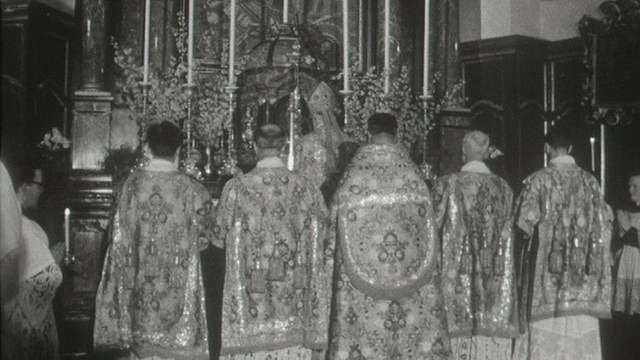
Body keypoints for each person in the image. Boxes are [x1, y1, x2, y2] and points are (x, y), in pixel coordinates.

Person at [328, 113, 452, 360]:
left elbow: (332, 223)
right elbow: (432, 221)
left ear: (367, 134)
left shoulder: (354, 177)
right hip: (410, 278)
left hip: (361, 286)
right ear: (396, 135)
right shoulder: (413, 176)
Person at [94, 121, 213, 360]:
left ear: (148, 148)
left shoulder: (131, 185)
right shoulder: (193, 189)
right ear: (178, 151)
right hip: (177, 288)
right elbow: (204, 239)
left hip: (139, 285)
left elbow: (116, 234)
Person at [212, 124, 332, 359]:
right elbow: (324, 233)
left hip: (251, 295)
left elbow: (217, 237)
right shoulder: (306, 187)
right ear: (283, 147)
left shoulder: (236, 187)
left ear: (255, 147)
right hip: (294, 293)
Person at [512, 125, 613, 360]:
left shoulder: (538, 180)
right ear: (570, 148)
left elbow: (523, 224)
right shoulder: (591, 182)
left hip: (550, 276)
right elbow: (605, 222)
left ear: (546, 148)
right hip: (583, 275)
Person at [432, 130, 518, 360]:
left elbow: (432, 229)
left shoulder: (447, 185)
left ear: (463, 152)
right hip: (494, 277)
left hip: (458, 275)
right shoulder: (504, 189)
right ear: (486, 152)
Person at [2, 158, 63, 359]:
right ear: (23, 185)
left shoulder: (27, 224)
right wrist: (52, 263)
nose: (40, 190)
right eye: (38, 185)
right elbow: (44, 277)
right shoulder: (20, 226)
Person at [614, 170, 640, 315]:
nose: (630, 189)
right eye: (629, 186)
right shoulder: (627, 212)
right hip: (626, 265)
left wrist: (629, 230)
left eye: (635, 186)